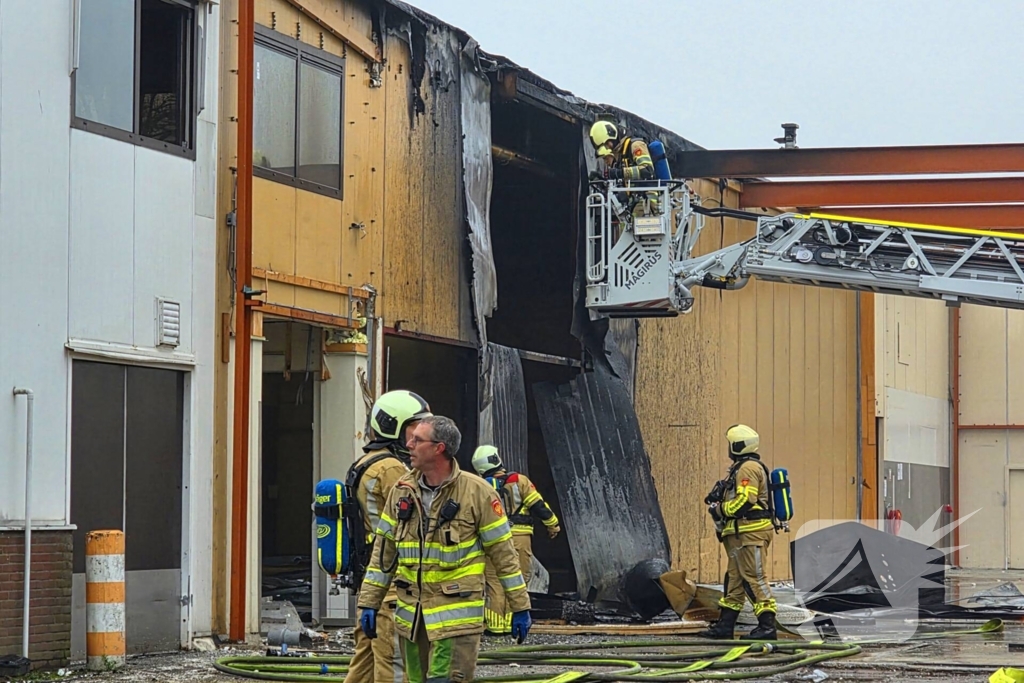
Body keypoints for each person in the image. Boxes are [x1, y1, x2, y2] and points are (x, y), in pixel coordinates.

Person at [357, 416, 532, 683]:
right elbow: (384, 553)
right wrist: (369, 602)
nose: (409, 444)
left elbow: (504, 557)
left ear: (439, 448)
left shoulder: (478, 494)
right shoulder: (401, 491)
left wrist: (520, 606)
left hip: (456, 621)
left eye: (417, 440)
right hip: (413, 620)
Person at [344, 389, 432, 683]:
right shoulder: (392, 468)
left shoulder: (364, 463)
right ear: (392, 426)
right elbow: (416, 515)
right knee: (395, 663)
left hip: (373, 578)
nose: (416, 437)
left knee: (364, 664)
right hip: (392, 583)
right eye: (413, 428)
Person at [470, 445, 560, 635]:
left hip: (492, 540)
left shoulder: (479, 486)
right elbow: (539, 506)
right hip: (520, 539)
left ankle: (495, 628)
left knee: (494, 583)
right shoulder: (519, 481)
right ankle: (514, 625)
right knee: (517, 580)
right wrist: (553, 525)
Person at [699, 424, 778, 640]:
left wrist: (720, 510)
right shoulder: (740, 467)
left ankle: (767, 627)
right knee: (734, 579)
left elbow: (746, 499)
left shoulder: (748, 468)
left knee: (754, 577)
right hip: (739, 535)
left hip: (752, 534)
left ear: (737, 445)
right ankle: (725, 627)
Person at [588, 120, 660, 217]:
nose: (606, 162)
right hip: (633, 204)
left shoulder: (635, 145)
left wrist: (619, 173)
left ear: (611, 139)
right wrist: (602, 181)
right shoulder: (621, 155)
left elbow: (647, 171)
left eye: (606, 158)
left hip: (647, 202)